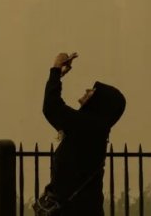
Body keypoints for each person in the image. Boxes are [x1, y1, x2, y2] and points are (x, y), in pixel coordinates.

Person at [40, 52, 126, 216]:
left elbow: (51, 107)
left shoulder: (88, 127)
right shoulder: (93, 129)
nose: (87, 90)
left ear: (101, 103)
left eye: (93, 91)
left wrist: (56, 70)